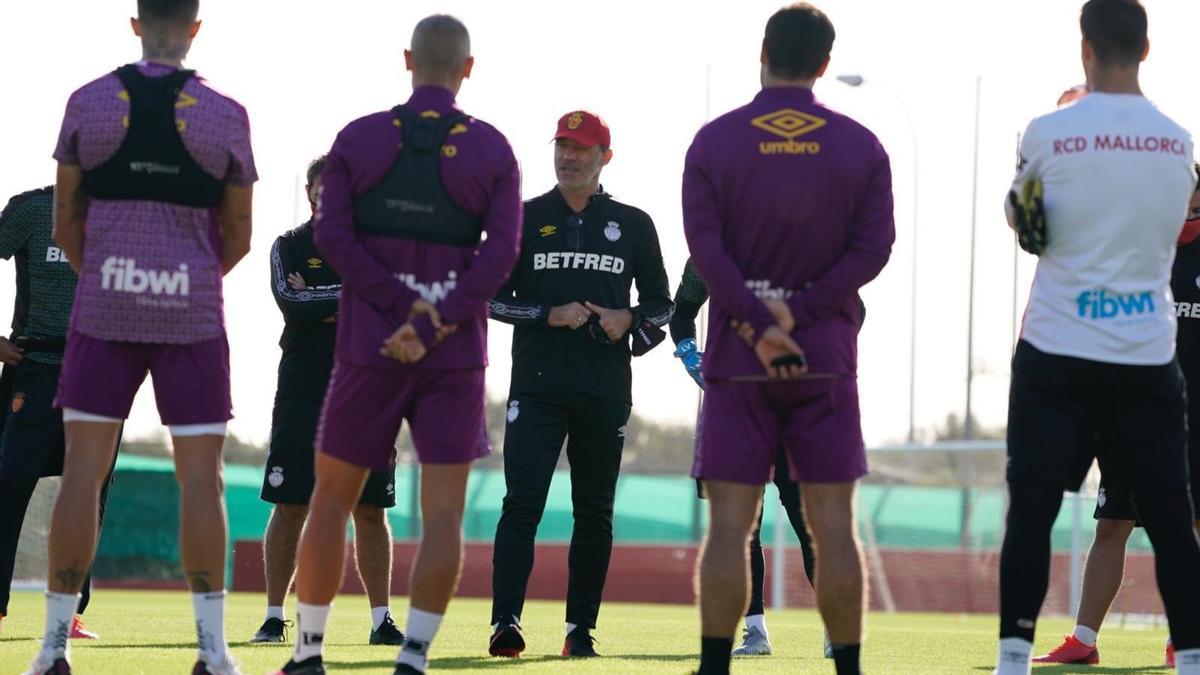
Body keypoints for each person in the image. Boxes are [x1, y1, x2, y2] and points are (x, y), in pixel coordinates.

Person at [273, 14, 522, 675]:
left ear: (408, 59)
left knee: (330, 499)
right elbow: (501, 256)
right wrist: (435, 317)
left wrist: (397, 306)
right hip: (454, 354)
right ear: (467, 68)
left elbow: (331, 238)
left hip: (366, 345)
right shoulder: (493, 150)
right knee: (441, 514)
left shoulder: (358, 138)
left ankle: (307, 653)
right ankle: (412, 657)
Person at [26, 0, 257, 673]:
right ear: (194, 27)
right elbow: (238, 234)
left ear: (135, 24)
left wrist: (106, 273)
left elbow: (65, 219)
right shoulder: (227, 114)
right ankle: (213, 652)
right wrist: (182, 277)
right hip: (192, 314)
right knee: (202, 482)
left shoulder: (88, 102)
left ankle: (52, 648)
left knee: (80, 474)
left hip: (103, 307)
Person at [681, 4, 895, 674]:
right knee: (835, 527)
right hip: (824, 360)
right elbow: (874, 247)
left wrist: (755, 320)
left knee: (728, 527)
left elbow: (705, 252)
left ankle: (717, 666)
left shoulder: (714, 142)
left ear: (763, 52)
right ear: (825, 65)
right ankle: (849, 669)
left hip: (738, 362)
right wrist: (798, 314)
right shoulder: (860, 145)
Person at [996, 2, 1200, 673]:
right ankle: (1193, 659)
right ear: (1147, 49)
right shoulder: (1178, 142)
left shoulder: (1047, 131)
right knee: (1173, 522)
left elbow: (1029, 226)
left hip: (1057, 349)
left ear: (1084, 47)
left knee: (1032, 510)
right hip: (1143, 352)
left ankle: (1013, 659)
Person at [486, 110, 673, 659]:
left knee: (594, 512)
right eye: (562, 146)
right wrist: (548, 313)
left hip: (604, 390)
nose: (568, 157)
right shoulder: (522, 219)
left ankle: (580, 632)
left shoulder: (634, 224)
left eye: (581, 148)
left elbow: (663, 305)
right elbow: (489, 298)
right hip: (537, 388)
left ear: (603, 158)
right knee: (522, 503)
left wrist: (629, 320)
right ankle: (505, 624)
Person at [1032, 174, 1200, 668]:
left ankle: (1184, 639)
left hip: (1193, 424)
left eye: (1187, 186)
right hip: (1130, 416)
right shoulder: (1137, 251)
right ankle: (1084, 640)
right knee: (1112, 525)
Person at [250, 157, 404, 646]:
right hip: (302, 391)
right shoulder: (289, 246)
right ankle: (275, 617)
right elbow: (292, 305)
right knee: (290, 504)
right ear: (311, 194)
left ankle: (381, 621)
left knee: (370, 510)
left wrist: (323, 297)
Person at [670, 257, 820, 658]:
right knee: (740, 526)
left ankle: (834, 629)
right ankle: (755, 633)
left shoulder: (807, 243)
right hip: (732, 404)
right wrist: (688, 352)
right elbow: (682, 311)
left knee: (807, 520)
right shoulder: (708, 251)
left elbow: (853, 309)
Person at [0, 186, 115, 642]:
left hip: (102, 377)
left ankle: (68, 613)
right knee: (9, 485)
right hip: (36, 371)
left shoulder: (124, 214)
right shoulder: (30, 210)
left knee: (87, 494)